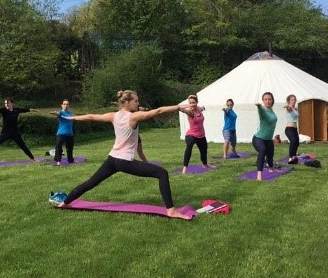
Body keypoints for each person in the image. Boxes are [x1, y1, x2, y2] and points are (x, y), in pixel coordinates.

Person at [50, 90, 191, 220]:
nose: (138, 103)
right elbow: (158, 111)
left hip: (112, 159)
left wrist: (71, 118)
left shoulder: (113, 115)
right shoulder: (134, 117)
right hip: (125, 161)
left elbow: (91, 116)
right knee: (162, 173)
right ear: (127, 102)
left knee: (90, 183)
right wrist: (179, 107)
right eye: (136, 101)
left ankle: (64, 203)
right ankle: (171, 210)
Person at [0, 97, 41, 166]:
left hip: (15, 133)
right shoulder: (3, 110)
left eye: (8, 103)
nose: (6, 105)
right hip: (5, 133)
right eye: (5, 103)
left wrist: (34, 110)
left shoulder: (17, 110)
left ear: (12, 103)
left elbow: (27, 110)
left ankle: (33, 159)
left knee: (23, 146)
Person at [179, 94, 214, 174]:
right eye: (190, 103)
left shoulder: (198, 109)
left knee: (204, 150)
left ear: (197, 102)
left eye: (193, 102)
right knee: (189, 146)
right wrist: (182, 109)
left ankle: (205, 164)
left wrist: (203, 108)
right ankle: (185, 168)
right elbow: (184, 110)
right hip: (191, 135)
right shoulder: (190, 112)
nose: (192, 104)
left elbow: (202, 108)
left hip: (201, 135)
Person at [252, 92, 278, 181]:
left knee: (270, 154)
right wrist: (259, 107)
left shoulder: (271, 110)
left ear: (272, 100)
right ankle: (259, 174)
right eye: (265, 99)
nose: (268, 101)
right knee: (262, 150)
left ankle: (271, 168)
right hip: (258, 138)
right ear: (263, 101)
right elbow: (263, 113)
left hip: (268, 139)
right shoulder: (263, 110)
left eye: (269, 99)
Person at [53, 99, 75, 165]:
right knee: (58, 146)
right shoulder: (61, 112)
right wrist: (55, 113)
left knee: (70, 148)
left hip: (70, 134)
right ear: (62, 105)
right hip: (61, 133)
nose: (66, 105)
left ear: (69, 106)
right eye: (64, 104)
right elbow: (58, 114)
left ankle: (70, 160)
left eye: (67, 104)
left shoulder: (70, 113)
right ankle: (58, 160)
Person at [284, 94, 300, 164]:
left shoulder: (295, 108)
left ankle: (294, 156)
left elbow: (295, 113)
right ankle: (290, 158)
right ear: (289, 101)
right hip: (289, 129)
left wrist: (293, 108)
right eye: (292, 100)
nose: (293, 101)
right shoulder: (289, 107)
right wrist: (288, 106)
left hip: (295, 129)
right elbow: (288, 108)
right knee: (293, 141)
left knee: (297, 143)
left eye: (294, 100)